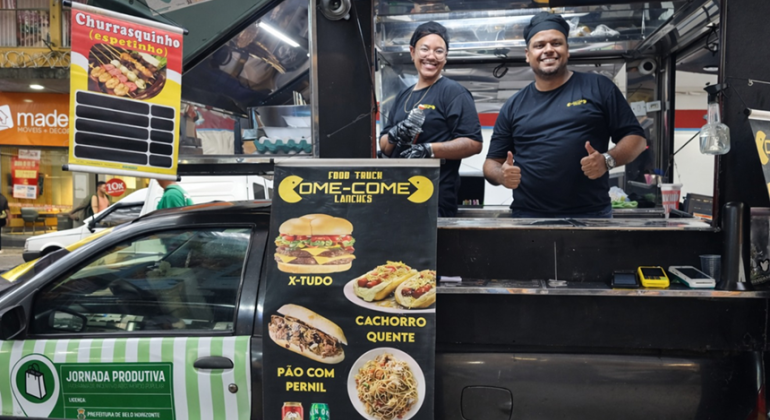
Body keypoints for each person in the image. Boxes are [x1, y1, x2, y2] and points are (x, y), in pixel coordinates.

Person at [483, 13, 647, 218]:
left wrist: (607, 160)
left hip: (591, 216)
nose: (548, 50)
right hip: (528, 217)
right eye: (539, 45)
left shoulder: (599, 87)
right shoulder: (514, 105)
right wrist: (501, 175)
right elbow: (491, 163)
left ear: (567, 50)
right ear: (528, 54)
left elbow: (637, 138)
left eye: (556, 43)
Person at [379, 21, 483, 217]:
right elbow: (384, 147)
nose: (431, 56)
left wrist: (429, 150)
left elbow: (473, 143)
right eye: (425, 49)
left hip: (434, 199)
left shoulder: (453, 93)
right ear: (412, 52)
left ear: (445, 57)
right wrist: (394, 135)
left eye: (439, 51)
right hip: (396, 196)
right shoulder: (403, 95)